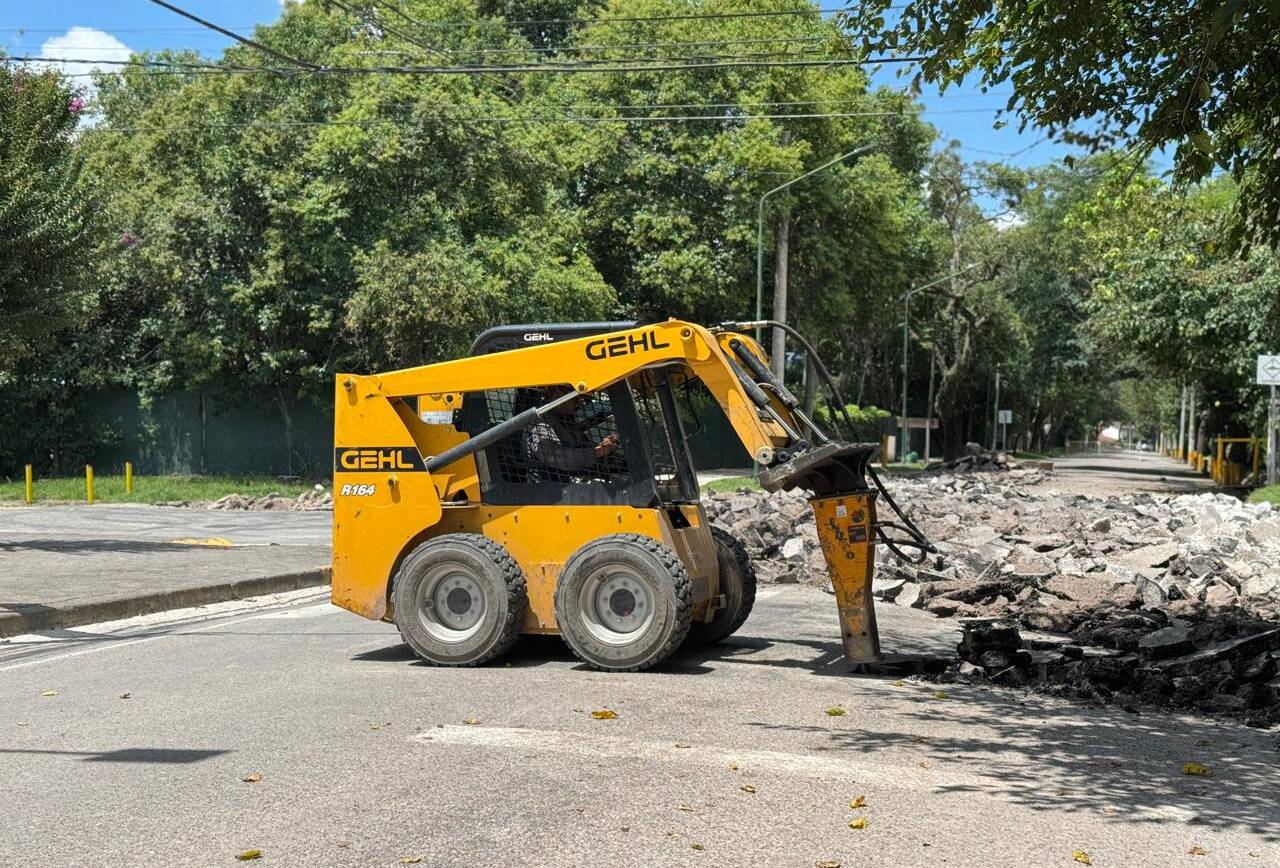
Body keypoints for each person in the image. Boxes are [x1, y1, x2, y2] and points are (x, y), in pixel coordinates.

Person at [524, 386, 621, 481]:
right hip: (551, 490)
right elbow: (554, 456)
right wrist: (597, 452)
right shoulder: (540, 423)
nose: (580, 403)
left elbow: (585, 446)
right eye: (575, 399)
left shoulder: (567, 420)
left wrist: (606, 448)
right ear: (557, 396)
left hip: (582, 482)